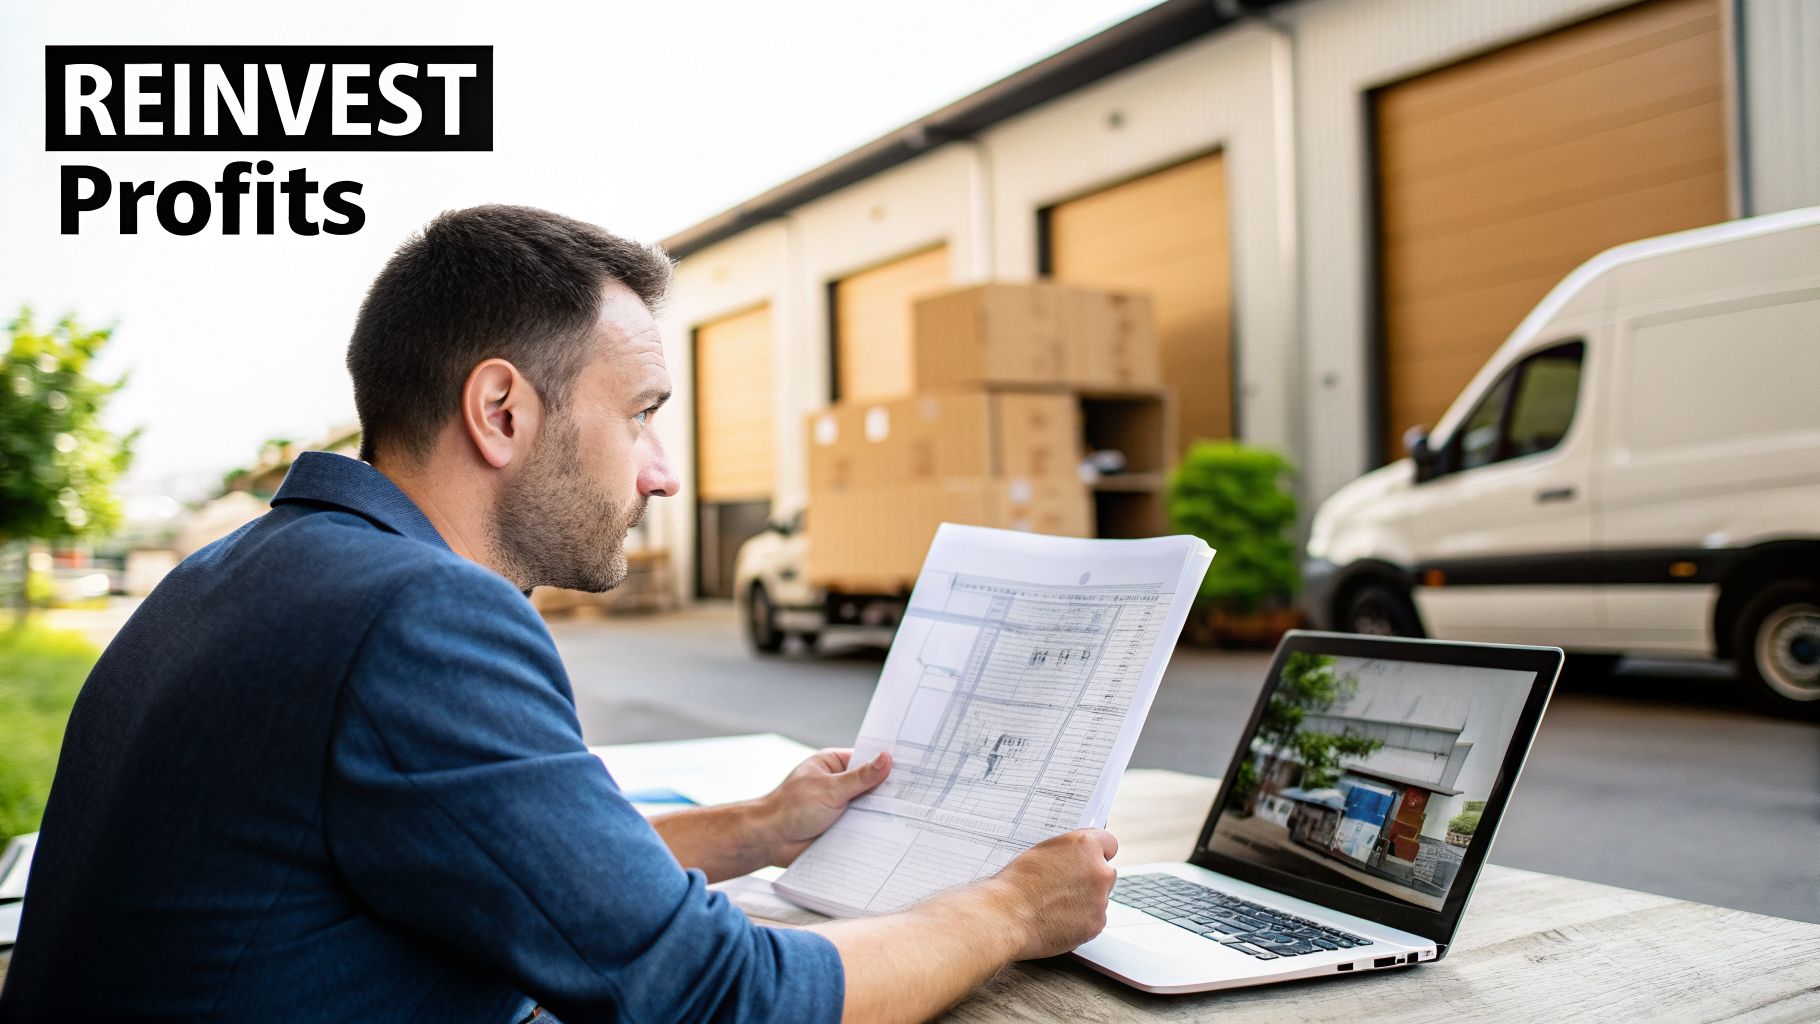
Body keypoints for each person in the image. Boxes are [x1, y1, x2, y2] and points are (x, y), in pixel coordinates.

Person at [0, 205, 1118, 1023]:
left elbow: (516, 862)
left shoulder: (256, 569)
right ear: (500, 409)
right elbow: (713, 1000)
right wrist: (1011, 910)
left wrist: (757, 829)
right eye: (638, 415)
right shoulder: (417, 616)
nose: (662, 472)